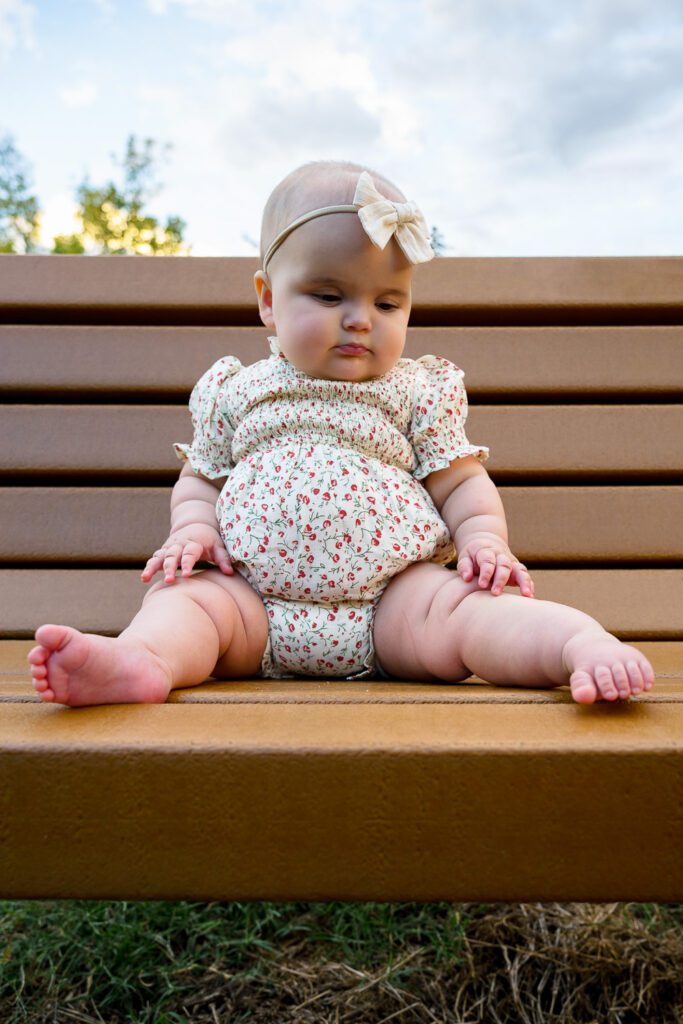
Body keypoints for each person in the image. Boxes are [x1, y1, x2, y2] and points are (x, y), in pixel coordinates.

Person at [28, 160, 655, 707]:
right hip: (252, 604)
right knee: (184, 601)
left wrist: (484, 541)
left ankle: (576, 643)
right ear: (269, 299)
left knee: (472, 616)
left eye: (387, 304)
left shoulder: (414, 389)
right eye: (329, 296)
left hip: (394, 602)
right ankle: (143, 663)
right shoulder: (238, 389)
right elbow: (201, 479)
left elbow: (461, 479)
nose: (359, 320)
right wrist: (193, 529)